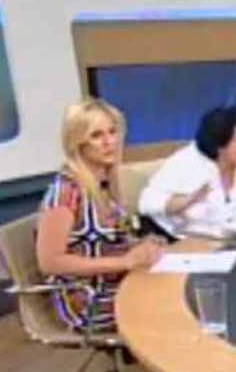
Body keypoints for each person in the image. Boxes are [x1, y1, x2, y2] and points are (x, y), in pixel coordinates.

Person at [36, 99, 163, 334]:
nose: (109, 142)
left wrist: (140, 246)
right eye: (96, 135)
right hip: (88, 301)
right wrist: (124, 262)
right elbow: (50, 262)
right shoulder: (67, 192)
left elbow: (109, 239)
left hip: (118, 284)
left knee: (180, 289)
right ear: (78, 143)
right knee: (172, 310)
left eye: (112, 132)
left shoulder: (105, 183)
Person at [139, 105, 236, 238]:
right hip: (171, 237)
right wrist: (189, 200)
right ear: (219, 144)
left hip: (216, 237)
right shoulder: (186, 162)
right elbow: (145, 204)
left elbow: (234, 208)